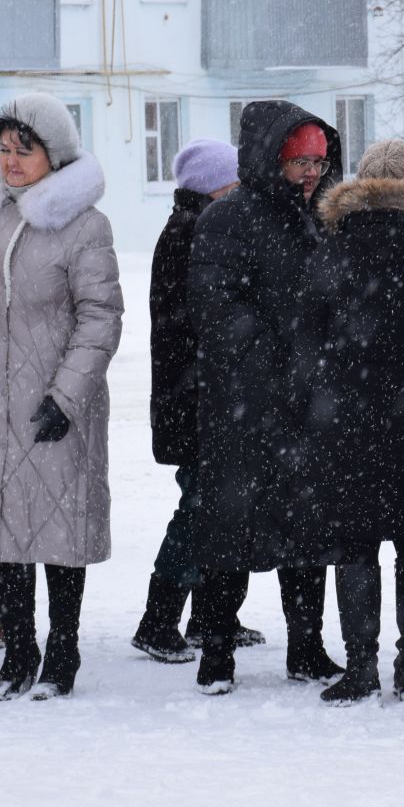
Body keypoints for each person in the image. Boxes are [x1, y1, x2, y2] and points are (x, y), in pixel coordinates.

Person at [0, 94, 123, 700]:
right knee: (5, 533)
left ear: (56, 154)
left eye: (26, 151)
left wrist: (65, 398)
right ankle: (19, 651)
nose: (12, 161)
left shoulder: (85, 225)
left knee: (58, 531)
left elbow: (100, 319)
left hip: (56, 406)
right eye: (5, 148)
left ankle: (63, 653)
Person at [186, 102, 345, 695]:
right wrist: (275, 363)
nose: (311, 171)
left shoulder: (326, 218)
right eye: (299, 160)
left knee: (308, 532)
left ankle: (306, 648)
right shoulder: (227, 219)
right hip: (243, 405)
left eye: (319, 161)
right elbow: (215, 306)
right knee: (231, 533)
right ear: (271, 158)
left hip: (309, 406)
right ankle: (217, 652)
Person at [294, 140, 404, 703]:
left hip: (346, 421)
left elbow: (306, 340)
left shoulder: (332, 249)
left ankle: (361, 668)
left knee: (355, 547)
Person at [131, 138, 261, 664]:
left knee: (216, 505)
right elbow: (200, 322)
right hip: (199, 398)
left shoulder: (190, 227)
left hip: (198, 395)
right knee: (201, 507)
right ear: (215, 188)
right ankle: (158, 620)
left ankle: (212, 617)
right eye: (234, 186)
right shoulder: (194, 233)